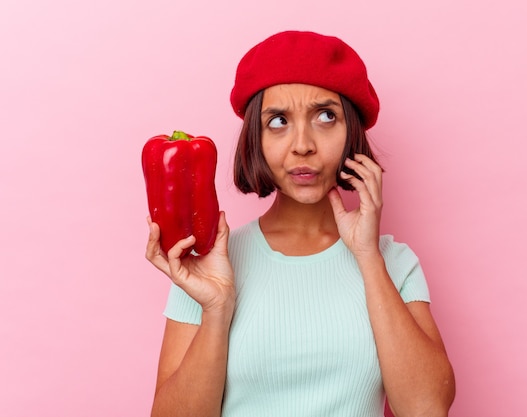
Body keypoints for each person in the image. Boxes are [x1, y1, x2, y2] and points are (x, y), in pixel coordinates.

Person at [145, 30, 455, 417]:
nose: (303, 144)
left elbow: (426, 409)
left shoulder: (395, 262)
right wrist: (217, 308)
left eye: (326, 116)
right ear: (254, 140)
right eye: (278, 121)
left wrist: (367, 258)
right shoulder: (208, 266)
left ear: (351, 133)